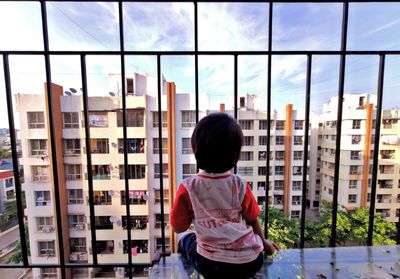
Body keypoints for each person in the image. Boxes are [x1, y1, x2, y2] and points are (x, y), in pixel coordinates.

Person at [170, 112, 279, 279]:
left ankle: (187, 275)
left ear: (194, 150)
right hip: (251, 262)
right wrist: (264, 243)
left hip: (211, 266)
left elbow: (178, 228)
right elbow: (252, 219)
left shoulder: (189, 187)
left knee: (185, 240)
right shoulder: (240, 184)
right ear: (236, 156)